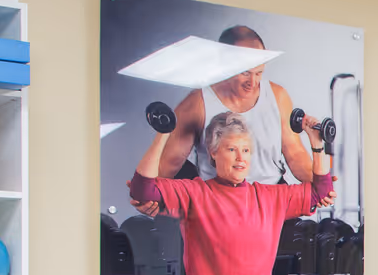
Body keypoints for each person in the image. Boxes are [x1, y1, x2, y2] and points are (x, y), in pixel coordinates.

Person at [131, 110, 334, 275]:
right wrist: (163, 134)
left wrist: (317, 145)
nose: (241, 158)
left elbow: (321, 191)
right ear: (213, 152)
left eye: (246, 150)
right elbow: (143, 189)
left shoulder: (269, 197)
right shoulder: (195, 193)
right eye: (231, 149)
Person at [132, 24, 328, 215]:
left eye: (259, 73)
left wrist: (322, 183)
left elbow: (294, 153)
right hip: (218, 203)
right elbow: (170, 163)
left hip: (270, 199)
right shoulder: (197, 104)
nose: (253, 82)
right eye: (245, 73)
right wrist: (146, 194)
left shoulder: (278, 96)